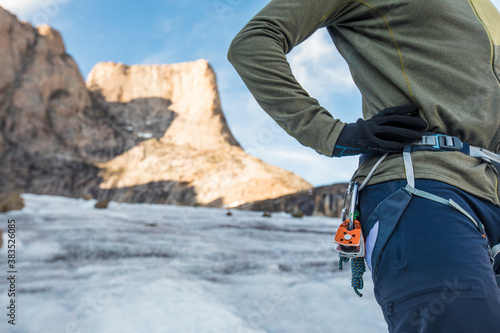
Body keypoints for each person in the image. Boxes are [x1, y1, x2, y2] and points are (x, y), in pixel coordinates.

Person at [228, 0, 500, 332]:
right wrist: (332, 132)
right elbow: (253, 43)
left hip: (491, 192)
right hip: (420, 188)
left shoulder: (486, 8)